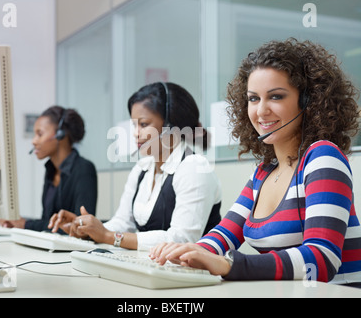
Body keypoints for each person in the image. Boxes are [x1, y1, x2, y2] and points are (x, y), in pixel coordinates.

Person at [150, 38, 361, 286]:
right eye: (253, 99)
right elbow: (223, 235)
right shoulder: (264, 172)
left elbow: (322, 259)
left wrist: (230, 264)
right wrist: (185, 253)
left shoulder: (323, 158)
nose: (261, 111)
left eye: (276, 96)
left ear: (308, 101)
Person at [49, 82, 222, 250]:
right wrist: (88, 229)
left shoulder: (194, 168)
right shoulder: (142, 168)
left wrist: (109, 237)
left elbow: (182, 239)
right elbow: (123, 223)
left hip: (194, 275)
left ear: (171, 125)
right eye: (134, 125)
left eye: (144, 124)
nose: (135, 133)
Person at [0, 106, 98, 231]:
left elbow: (83, 228)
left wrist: (26, 224)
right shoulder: (50, 170)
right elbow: (48, 221)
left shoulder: (84, 169)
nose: (34, 141)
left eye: (39, 134)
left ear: (60, 134)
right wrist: (17, 222)